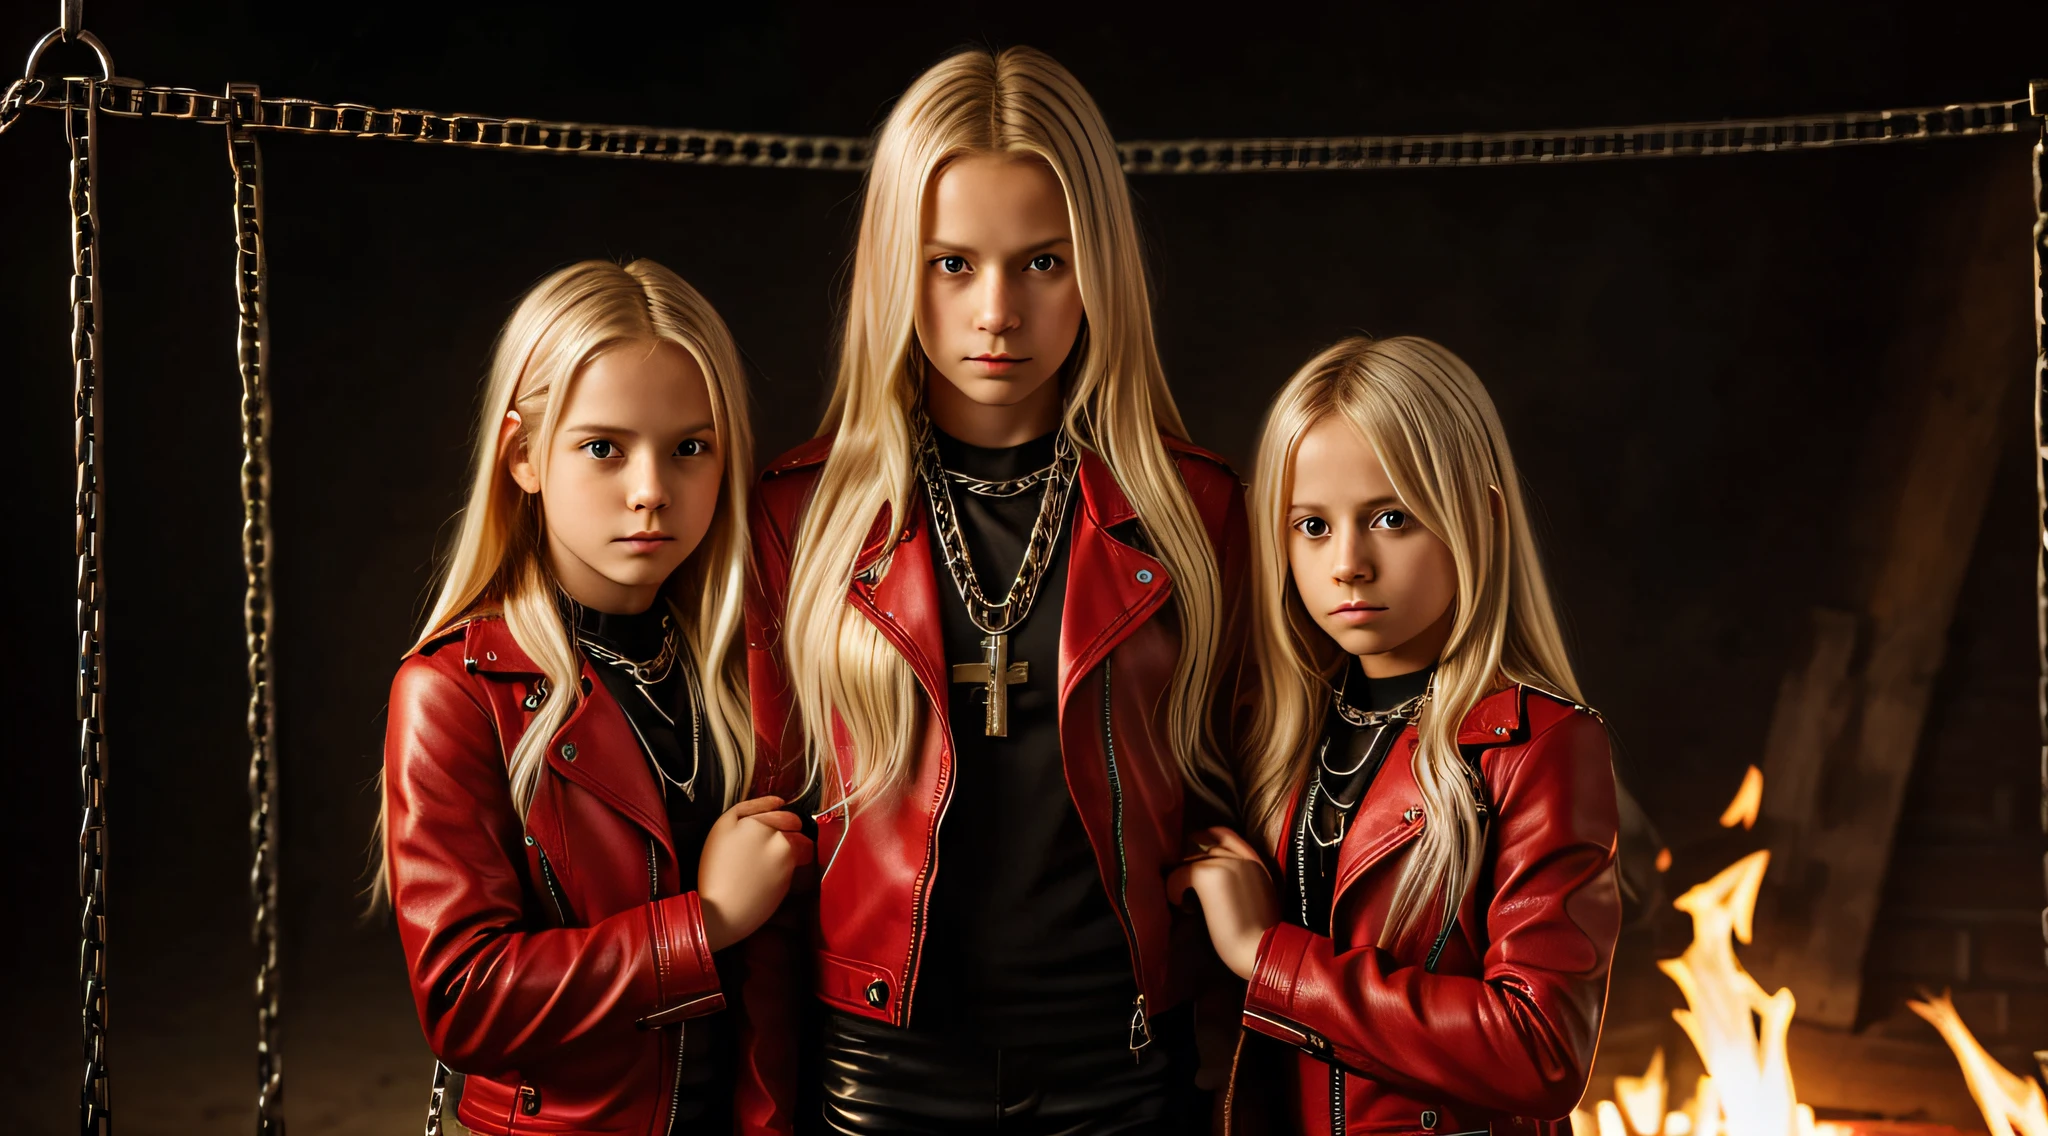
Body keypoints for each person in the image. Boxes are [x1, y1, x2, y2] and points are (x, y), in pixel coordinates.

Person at [737, 45, 1252, 1135]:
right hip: (879, 1067)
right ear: (894, 269)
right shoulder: (798, 515)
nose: (996, 313)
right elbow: (770, 848)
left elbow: (1235, 802)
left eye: (1042, 262)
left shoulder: (1196, 511)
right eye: (951, 264)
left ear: (1098, 266)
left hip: (1121, 1060)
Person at [377, 259, 811, 1135]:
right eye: (603, 447)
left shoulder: (753, 666)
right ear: (523, 457)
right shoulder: (455, 693)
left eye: (690, 447)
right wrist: (707, 922)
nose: (651, 490)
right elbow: (464, 1000)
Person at [1172, 336, 1620, 1136]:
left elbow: (1541, 1050)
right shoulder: (1266, 733)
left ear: (1475, 519)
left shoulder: (1539, 745)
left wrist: (1265, 954)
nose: (1348, 563)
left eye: (1390, 518)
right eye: (1310, 524)